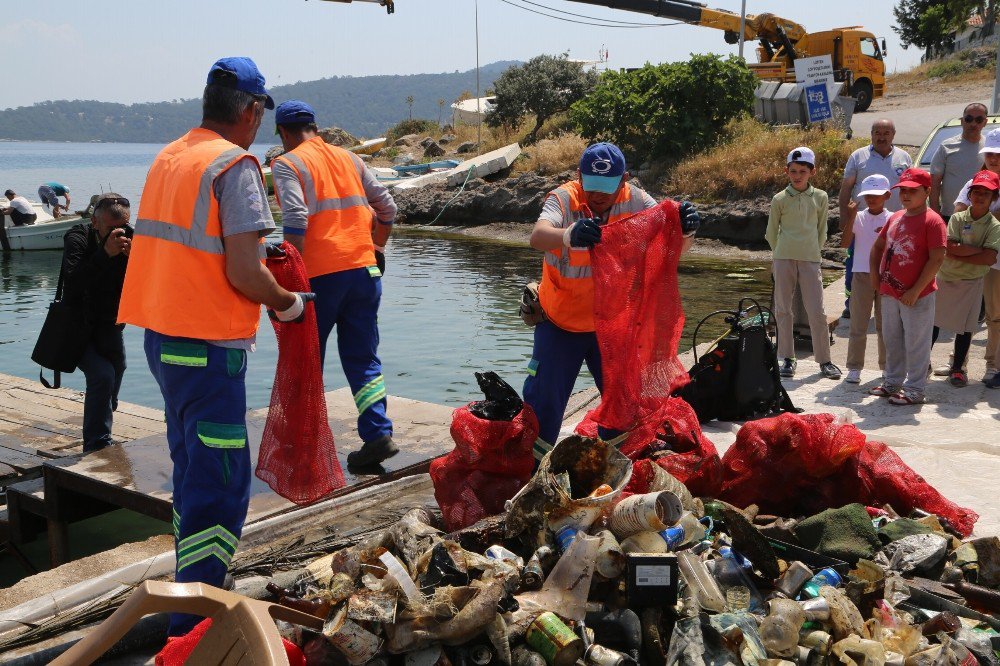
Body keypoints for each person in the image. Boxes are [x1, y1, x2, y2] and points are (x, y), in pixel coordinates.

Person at [117, 57, 310, 638]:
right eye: (259, 116)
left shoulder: (170, 156)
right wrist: (289, 303)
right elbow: (246, 274)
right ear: (250, 112)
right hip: (206, 348)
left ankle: (190, 590)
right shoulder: (236, 165)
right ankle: (190, 627)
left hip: (163, 341)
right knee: (221, 484)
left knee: (192, 470)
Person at [523, 142, 699, 453]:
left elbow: (671, 251)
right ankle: (533, 468)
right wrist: (568, 235)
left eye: (608, 187)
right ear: (580, 176)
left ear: (624, 179)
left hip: (614, 329)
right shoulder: (564, 198)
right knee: (543, 401)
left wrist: (686, 231)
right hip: (560, 324)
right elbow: (538, 236)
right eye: (591, 186)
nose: (599, 196)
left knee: (624, 405)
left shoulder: (639, 202)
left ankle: (620, 466)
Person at [271, 100, 399, 468]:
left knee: (305, 362)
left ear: (283, 133)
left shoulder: (287, 163)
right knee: (364, 360)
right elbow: (387, 208)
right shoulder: (350, 159)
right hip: (364, 272)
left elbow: (295, 215)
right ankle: (378, 435)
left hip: (319, 278)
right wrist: (376, 247)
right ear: (315, 126)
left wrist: (291, 270)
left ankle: (301, 444)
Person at [868, 168, 947, 405]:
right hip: (890, 290)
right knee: (891, 339)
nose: (906, 195)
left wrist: (915, 290)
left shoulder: (933, 221)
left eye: (913, 191)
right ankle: (892, 381)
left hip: (918, 294)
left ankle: (915, 388)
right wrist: (875, 276)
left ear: (927, 191)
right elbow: (878, 247)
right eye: (902, 190)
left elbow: (937, 258)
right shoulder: (895, 217)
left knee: (916, 342)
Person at [62, 193, 132, 452]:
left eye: (123, 226)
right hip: (76, 326)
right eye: (112, 228)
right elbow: (73, 285)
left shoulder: (131, 239)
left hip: (109, 324)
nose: (119, 233)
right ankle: (97, 445)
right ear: (95, 222)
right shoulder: (77, 237)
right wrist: (105, 254)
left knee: (118, 369)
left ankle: (102, 417)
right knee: (103, 376)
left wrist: (134, 261)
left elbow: (142, 285)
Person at [766, 146, 841, 380]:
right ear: (787, 172)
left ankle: (825, 360)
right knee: (782, 310)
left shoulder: (820, 197)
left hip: (810, 259)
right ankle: (786, 358)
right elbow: (771, 233)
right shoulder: (779, 199)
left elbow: (822, 230)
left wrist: (813, 252)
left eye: (802, 171)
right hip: (783, 258)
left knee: (817, 311)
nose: (797, 175)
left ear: (812, 172)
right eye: (793, 171)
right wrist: (780, 253)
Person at [931, 170, 1000, 387]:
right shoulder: (957, 218)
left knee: (966, 327)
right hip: (946, 277)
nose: (980, 197)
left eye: (986, 194)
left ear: (994, 198)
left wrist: (964, 250)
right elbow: (949, 249)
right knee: (933, 324)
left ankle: (958, 368)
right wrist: (977, 250)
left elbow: (989, 258)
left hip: (972, 282)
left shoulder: (995, 226)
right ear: (969, 194)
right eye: (976, 192)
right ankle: (922, 362)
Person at [837, 119, 912, 317]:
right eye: (877, 132)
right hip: (861, 222)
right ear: (871, 134)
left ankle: (891, 300)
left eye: (886, 133)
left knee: (892, 263)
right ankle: (851, 302)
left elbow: (909, 189)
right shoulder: (858, 156)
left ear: (893, 135)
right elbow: (846, 189)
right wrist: (844, 219)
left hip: (894, 223)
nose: (881, 136)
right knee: (855, 262)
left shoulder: (904, 157)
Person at [947, 127, 1000, 382]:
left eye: (999, 154)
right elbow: (959, 213)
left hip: (996, 263)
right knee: (961, 313)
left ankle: (993, 365)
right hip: (967, 261)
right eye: (990, 153)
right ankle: (958, 365)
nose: (994, 159)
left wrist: (979, 215)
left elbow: (974, 215)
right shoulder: (973, 182)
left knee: (995, 315)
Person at [840, 174, 892, 384]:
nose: (872, 199)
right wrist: (851, 215)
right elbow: (845, 243)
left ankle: (887, 367)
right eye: (868, 195)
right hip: (861, 274)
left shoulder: (894, 217)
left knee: (885, 325)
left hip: (885, 275)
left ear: (887, 195)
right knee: (858, 324)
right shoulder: (859, 216)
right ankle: (854, 367)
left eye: (877, 195)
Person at [930, 103, 988, 221]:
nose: (973, 123)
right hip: (950, 215)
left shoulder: (990, 149)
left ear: (985, 122)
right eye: (969, 119)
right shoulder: (946, 146)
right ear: (962, 121)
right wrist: (935, 215)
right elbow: (934, 184)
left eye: (978, 120)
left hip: (982, 217)